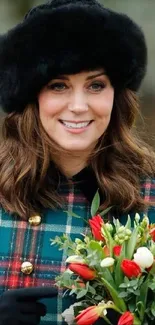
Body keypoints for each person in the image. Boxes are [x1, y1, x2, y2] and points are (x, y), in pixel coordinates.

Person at [0, 0, 155, 324]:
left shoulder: (149, 193)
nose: (79, 106)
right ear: (30, 95)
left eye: (96, 85)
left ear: (118, 94)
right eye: (59, 86)